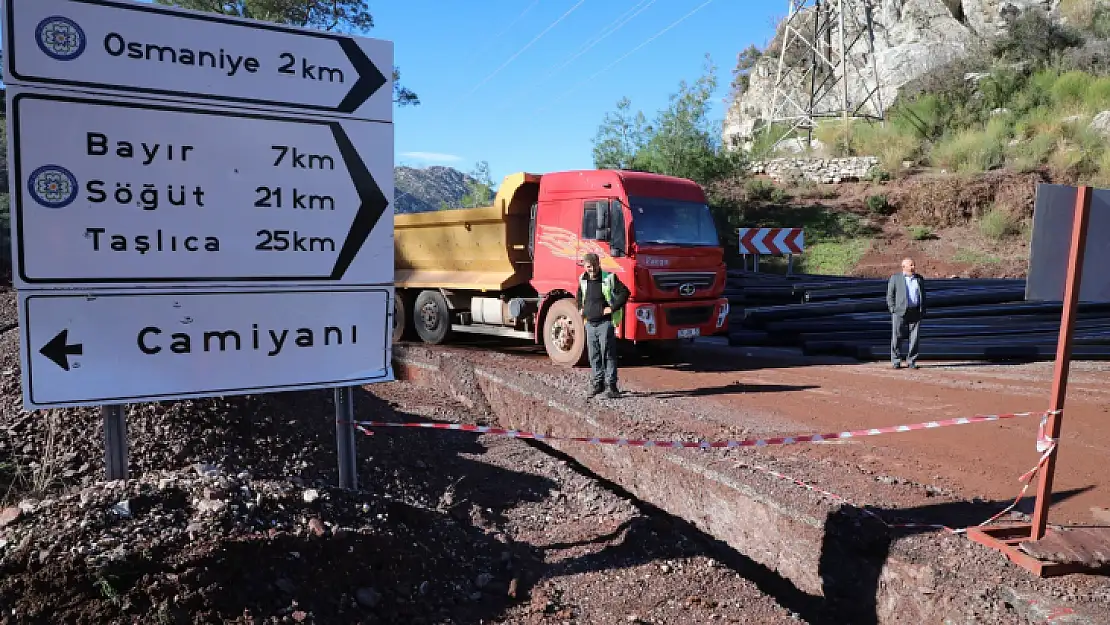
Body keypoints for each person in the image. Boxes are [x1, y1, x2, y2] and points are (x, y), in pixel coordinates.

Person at [576, 253, 630, 398]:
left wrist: (612, 308)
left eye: (594, 266)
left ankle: (612, 387)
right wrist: (580, 308)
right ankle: (598, 384)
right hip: (590, 324)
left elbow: (625, 293)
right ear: (585, 266)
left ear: (599, 264)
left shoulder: (609, 278)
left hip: (604, 323)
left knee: (608, 354)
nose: (592, 269)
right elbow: (580, 295)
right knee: (594, 355)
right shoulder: (583, 279)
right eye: (589, 267)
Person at [886, 257, 927, 369]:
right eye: (911, 265)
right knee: (897, 336)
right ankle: (896, 361)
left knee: (914, 338)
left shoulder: (919, 279)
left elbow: (923, 294)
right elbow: (890, 295)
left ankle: (911, 360)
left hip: (915, 311)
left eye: (914, 265)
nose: (913, 267)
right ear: (904, 267)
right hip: (899, 312)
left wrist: (922, 309)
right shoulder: (895, 278)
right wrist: (892, 309)